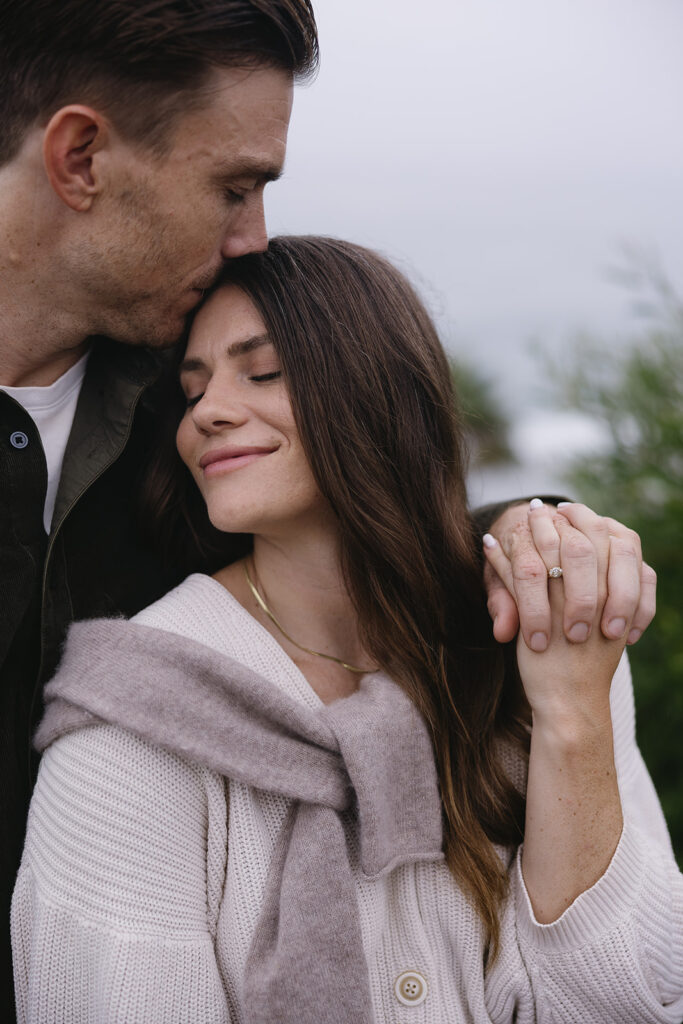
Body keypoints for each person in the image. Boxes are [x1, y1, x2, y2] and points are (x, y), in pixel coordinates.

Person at [0, 0, 656, 1016]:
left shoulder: (156, 379)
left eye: (256, 374)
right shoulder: (130, 735)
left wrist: (540, 538)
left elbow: (368, 503)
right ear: (79, 157)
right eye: (234, 185)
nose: (252, 235)